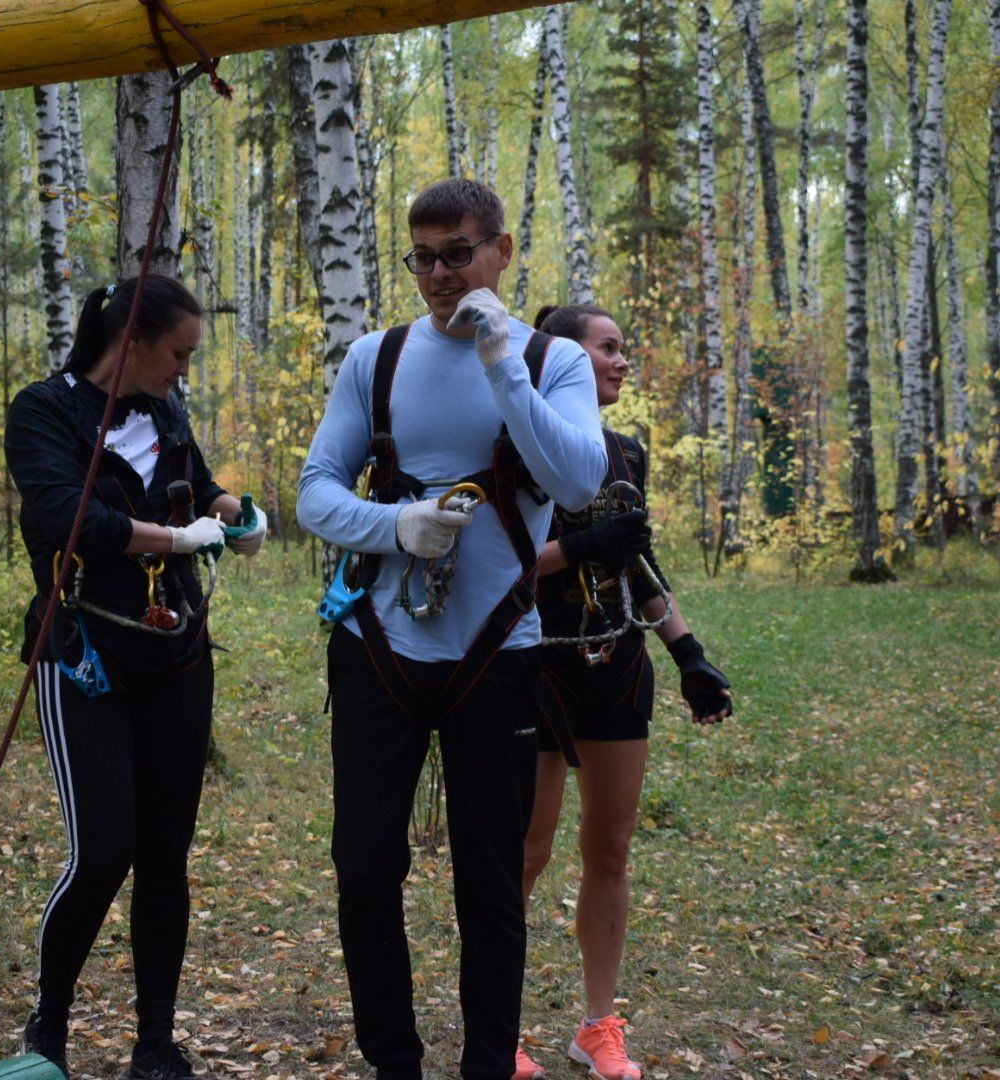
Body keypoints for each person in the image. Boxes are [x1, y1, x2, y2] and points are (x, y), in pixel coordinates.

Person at [297, 179, 606, 1080]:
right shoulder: (376, 359)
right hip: (378, 652)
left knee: (491, 887)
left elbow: (579, 485)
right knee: (363, 871)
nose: (438, 274)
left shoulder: (555, 363)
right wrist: (395, 526)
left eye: (458, 253)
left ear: (501, 253)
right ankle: (394, 1063)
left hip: (496, 658)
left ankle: (484, 1067)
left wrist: (502, 358)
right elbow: (317, 489)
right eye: (422, 256)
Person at [4, 274, 268, 1080]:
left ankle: (155, 1039)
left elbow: (199, 480)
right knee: (104, 850)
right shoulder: (43, 410)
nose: (185, 369)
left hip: (177, 655)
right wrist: (175, 540)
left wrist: (233, 513)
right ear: (133, 341)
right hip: (85, 652)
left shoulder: (163, 411)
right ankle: (48, 1023)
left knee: (164, 853)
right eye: (179, 353)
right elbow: (64, 517)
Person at [515, 304, 732, 1080]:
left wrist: (689, 654)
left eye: (622, 349)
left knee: (609, 850)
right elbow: (492, 565)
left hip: (617, 668)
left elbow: (637, 564)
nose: (621, 361)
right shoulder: (517, 441)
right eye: (606, 349)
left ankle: (597, 1026)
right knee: (525, 853)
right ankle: (496, 1028)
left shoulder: (625, 451)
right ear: (561, 359)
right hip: (532, 668)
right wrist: (576, 546)